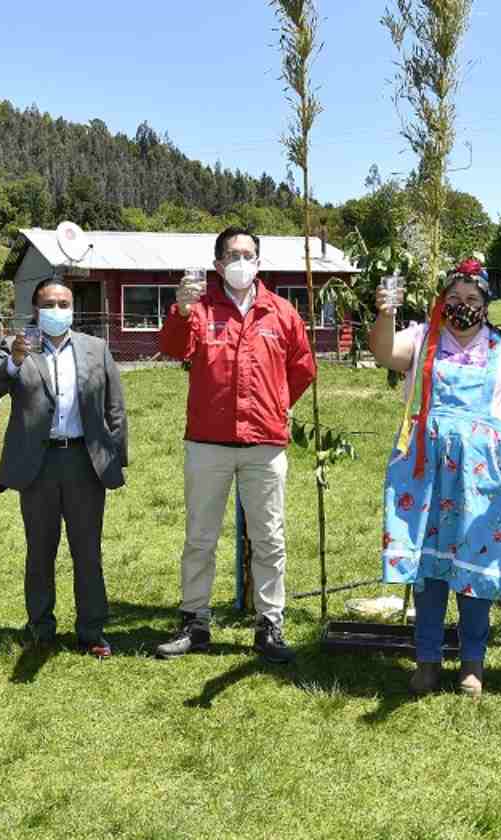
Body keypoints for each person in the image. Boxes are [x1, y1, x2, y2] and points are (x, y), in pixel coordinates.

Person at [370, 258, 501, 697]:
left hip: (482, 476)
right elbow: (384, 353)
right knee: (428, 565)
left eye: (471, 298)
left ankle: (472, 662)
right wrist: (386, 314)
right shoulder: (423, 337)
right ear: (442, 301)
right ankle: (427, 659)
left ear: (485, 304)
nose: (462, 305)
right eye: (454, 297)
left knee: (477, 563)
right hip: (427, 469)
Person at [154, 226, 317, 663]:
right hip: (207, 443)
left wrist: (276, 404)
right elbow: (173, 348)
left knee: (269, 539)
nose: (241, 261)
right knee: (200, 537)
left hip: (265, 443)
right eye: (232, 255)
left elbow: (303, 368)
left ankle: (269, 625)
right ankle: (194, 622)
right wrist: (181, 310)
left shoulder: (281, 312)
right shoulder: (200, 309)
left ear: (259, 262)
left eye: (248, 254)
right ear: (218, 264)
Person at [0, 278, 128, 658]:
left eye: (64, 303)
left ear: (73, 308)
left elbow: (115, 409)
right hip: (38, 464)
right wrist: (13, 362)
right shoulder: (17, 348)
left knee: (87, 551)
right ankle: (41, 628)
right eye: (49, 304)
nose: (57, 310)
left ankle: (92, 631)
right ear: (35, 309)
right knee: (40, 550)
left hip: (84, 462)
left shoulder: (96, 348)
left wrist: (115, 459)